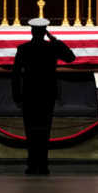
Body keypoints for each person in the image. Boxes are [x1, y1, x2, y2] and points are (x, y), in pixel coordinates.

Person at [12, 18, 76, 175]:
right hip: (47, 93)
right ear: (45, 32)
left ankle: (32, 165)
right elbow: (70, 57)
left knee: (30, 131)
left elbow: (15, 75)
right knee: (44, 130)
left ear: (32, 31)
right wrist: (55, 40)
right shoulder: (52, 48)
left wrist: (16, 96)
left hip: (29, 93)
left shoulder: (23, 49)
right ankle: (43, 165)